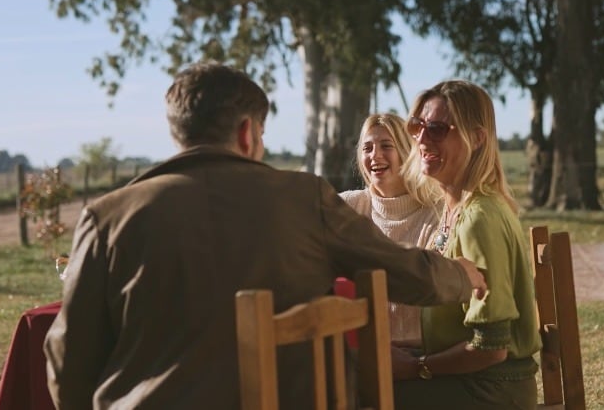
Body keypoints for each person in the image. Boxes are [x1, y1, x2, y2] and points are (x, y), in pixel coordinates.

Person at [42, 62, 488, 410]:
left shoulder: (106, 217)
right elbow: (404, 272)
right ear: (247, 132)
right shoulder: (302, 197)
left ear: (178, 131)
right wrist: (461, 276)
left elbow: (66, 357)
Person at [392, 80, 542, 409]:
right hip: (473, 382)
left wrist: (417, 368)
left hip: (491, 390)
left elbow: (491, 346)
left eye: (436, 129)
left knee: (358, 394)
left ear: (476, 139)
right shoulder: (455, 209)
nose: (420, 139)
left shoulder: (479, 218)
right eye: (416, 126)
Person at [339, 113, 442, 344]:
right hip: (359, 351)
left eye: (386, 146)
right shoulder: (348, 207)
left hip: (418, 353)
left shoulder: (437, 214)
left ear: (407, 153)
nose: (375, 156)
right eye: (367, 148)